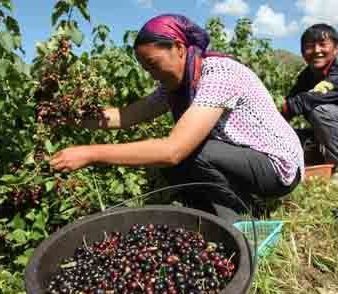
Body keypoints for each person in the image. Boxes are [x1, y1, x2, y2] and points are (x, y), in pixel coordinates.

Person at [50, 14, 303, 219]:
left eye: (153, 64)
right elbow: (126, 116)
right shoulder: (176, 86)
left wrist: (91, 154)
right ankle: (211, 217)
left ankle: (240, 228)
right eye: (145, 68)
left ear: (179, 48)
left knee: (190, 152)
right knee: (172, 160)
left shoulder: (219, 73)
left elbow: (173, 150)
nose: (151, 74)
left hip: (278, 166)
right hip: (245, 158)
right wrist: (71, 117)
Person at [281, 24, 338, 172]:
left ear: (336, 49)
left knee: (322, 111)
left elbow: (311, 98)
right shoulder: (307, 75)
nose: (317, 51)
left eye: (322, 45)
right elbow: (289, 103)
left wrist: (288, 108)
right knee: (291, 136)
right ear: (302, 52)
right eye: (310, 46)